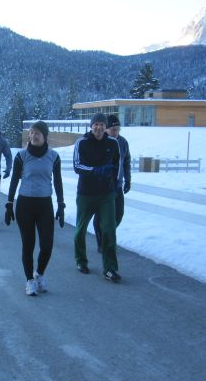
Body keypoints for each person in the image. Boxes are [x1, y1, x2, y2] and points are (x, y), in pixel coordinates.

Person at [5, 121, 65, 296]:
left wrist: (61, 205)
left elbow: (58, 182)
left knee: (47, 245)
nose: (33, 135)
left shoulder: (53, 156)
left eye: (37, 133)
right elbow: (14, 180)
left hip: (45, 204)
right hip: (25, 205)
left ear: (44, 136)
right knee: (28, 244)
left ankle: (39, 273)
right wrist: (9, 203)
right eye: (31, 132)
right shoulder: (21, 156)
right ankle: (29, 281)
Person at [73, 112, 121, 282]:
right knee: (80, 230)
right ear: (91, 126)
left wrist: (116, 183)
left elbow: (117, 165)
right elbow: (77, 166)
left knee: (109, 229)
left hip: (106, 194)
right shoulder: (82, 142)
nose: (99, 127)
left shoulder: (113, 143)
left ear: (106, 127)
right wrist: (95, 171)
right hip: (86, 193)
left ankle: (110, 268)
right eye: (96, 124)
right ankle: (81, 260)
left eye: (102, 124)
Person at [92, 114, 131, 252]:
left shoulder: (123, 142)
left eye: (118, 129)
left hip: (117, 185)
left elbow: (126, 162)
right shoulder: (102, 142)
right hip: (102, 187)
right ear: (106, 129)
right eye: (113, 129)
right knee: (100, 215)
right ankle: (102, 242)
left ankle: (107, 235)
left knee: (118, 214)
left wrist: (128, 179)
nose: (116, 132)